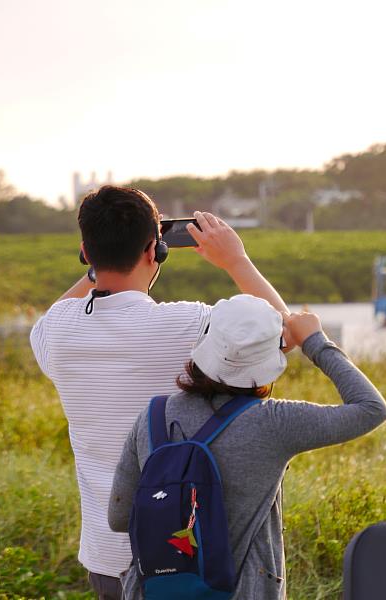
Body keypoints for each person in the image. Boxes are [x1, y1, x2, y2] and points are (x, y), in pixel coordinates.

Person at [29, 186, 291, 599]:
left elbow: (54, 315)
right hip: (185, 556)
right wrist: (235, 260)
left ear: (85, 251)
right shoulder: (188, 324)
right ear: (156, 250)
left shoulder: (56, 330)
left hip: (106, 557)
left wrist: (99, 264)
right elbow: (285, 333)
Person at [108, 294, 386, 599]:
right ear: (271, 360)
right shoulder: (274, 423)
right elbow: (372, 408)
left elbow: (120, 517)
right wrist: (314, 342)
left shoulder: (153, 416)